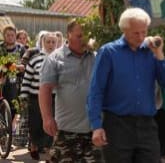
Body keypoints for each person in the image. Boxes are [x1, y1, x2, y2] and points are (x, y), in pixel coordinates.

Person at [87, 7, 165, 163]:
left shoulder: (152, 52)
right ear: (124, 30)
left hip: (147, 126)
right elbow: (96, 90)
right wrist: (96, 126)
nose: (141, 36)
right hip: (117, 126)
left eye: (144, 32)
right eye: (136, 33)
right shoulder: (109, 52)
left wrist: (160, 55)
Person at [39, 20, 102, 162]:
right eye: (80, 36)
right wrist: (47, 118)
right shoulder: (54, 59)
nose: (84, 40)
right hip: (67, 130)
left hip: (94, 130)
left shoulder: (96, 57)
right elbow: (45, 89)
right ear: (69, 35)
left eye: (86, 36)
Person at [20, 32, 57, 160]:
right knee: (36, 124)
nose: (51, 45)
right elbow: (27, 79)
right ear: (43, 43)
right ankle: (34, 144)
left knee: (51, 125)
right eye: (48, 42)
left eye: (53, 42)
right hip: (35, 99)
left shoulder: (60, 60)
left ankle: (48, 152)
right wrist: (23, 97)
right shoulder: (35, 60)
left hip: (53, 99)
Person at [0, 25, 26, 120]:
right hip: (3, 81)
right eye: (8, 35)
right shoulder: (1, 48)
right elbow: (3, 63)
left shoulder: (21, 48)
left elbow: (25, 65)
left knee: (17, 107)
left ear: (15, 36)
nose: (10, 37)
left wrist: (11, 66)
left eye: (12, 35)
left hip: (18, 82)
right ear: (4, 36)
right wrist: (16, 66)